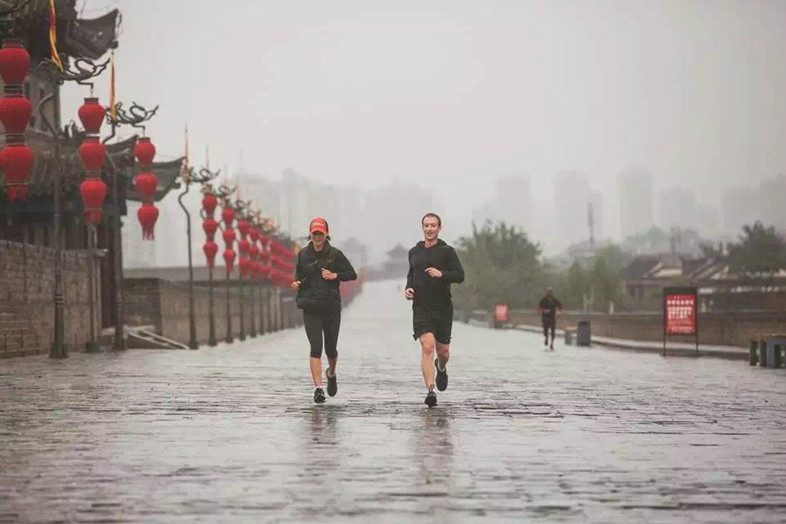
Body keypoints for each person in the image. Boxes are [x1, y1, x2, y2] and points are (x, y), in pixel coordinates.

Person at [291, 217, 357, 403]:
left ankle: (332, 373)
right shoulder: (303, 254)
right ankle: (318, 388)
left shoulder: (335, 255)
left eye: (320, 233)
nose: (317, 237)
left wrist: (335, 275)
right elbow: (299, 275)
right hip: (310, 305)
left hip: (330, 306)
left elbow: (351, 274)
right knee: (315, 347)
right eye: (315, 234)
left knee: (331, 348)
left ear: (326, 234)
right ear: (310, 234)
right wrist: (296, 284)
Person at [404, 212, 464, 407]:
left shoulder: (447, 252)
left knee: (443, 352)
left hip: (443, 307)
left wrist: (441, 274)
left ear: (439, 228)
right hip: (421, 307)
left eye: (433, 225)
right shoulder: (414, 252)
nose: (429, 229)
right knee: (427, 346)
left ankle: (442, 367)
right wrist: (408, 289)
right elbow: (411, 275)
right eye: (426, 225)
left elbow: (460, 275)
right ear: (422, 227)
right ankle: (430, 390)